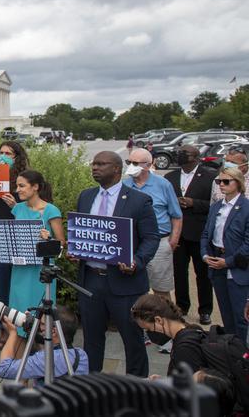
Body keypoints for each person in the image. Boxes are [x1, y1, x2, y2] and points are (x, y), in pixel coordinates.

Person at [73, 151, 159, 377]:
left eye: (101, 164)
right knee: (91, 338)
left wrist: (137, 261)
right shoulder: (85, 196)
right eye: (94, 163)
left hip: (125, 284)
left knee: (133, 339)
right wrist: (76, 251)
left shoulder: (138, 200)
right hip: (90, 280)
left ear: (117, 169)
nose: (95, 167)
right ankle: (93, 383)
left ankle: (136, 386)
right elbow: (82, 233)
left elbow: (151, 238)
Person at [133, 293, 245, 415]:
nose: (150, 333)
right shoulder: (192, 329)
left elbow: (187, 397)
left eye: (149, 329)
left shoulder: (184, 349)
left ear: (159, 320)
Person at [8, 170, 65, 336]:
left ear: (35, 187)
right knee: (18, 311)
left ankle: (41, 352)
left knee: (40, 312)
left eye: (21, 186)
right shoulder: (17, 209)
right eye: (16, 185)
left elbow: (61, 243)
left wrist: (48, 239)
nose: (17, 189)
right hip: (20, 268)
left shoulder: (51, 210)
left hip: (41, 270)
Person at [168, 144, 218, 325]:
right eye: (179, 152)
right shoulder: (170, 177)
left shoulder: (210, 177)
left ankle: (205, 309)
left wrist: (193, 203)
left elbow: (215, 205)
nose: (180, 155)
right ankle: (182, 306)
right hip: (178, 234)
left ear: (196, 157)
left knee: (203, 274)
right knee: (179, 273)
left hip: (199, 233)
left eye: (185, 153)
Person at [124, 148, 182, 303]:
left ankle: (165, 324)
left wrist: (173, 241)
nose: (130, 166)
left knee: (160, 290)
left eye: (135, 163)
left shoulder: (163, 185)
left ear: (148, 165)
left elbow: (176, 215)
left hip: (160, 243)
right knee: (132, 287)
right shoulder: (124, 185)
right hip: (133, 243)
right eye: (128, 162)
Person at [201, 166, 249, 341]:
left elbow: (247, 244)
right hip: (216, 265)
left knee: (241, 317)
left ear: (238, 183)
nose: (221, 184)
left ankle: (243, 356)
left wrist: (227, 262)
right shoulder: (215, 207)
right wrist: (205, 255)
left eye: (226, 181)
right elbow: (206, 234)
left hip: (237, 268)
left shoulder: (246, 207)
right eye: (218, 181)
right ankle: (231, 353)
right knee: (226, 316)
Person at [0, 140, 29, 350]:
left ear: (18, 158)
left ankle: (21, 328)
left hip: (17, 237)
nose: (4, 156)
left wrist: (16, 205)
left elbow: (35, 208)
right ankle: (3, 330)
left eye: (9, 154)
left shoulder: (23, 181)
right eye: (1, 153)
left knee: (17, 286)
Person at [0, 306, 88, 386]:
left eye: (42, 324)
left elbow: (4, 369)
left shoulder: (45, 359)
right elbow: (51, 344)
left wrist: (12, 334)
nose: (39, 326)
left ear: (54, 331)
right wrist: (31, 328)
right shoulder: (82, 355)